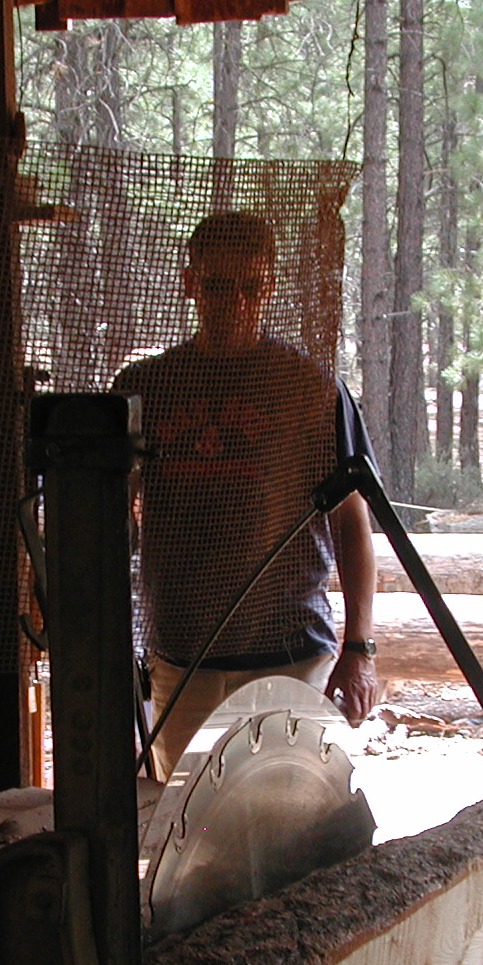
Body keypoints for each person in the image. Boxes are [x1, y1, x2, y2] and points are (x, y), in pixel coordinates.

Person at [115, 210, 379, 774]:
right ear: (190, 283)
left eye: (250, 287)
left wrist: (359, 648)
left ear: (270, 287)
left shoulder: (308, 387)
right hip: (183, 649)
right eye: (215, 284)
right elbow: (114, 512)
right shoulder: (147, 387)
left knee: (291, 815)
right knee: (184, 824)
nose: (233, 301)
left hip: (289, 648)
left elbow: (352, 520)